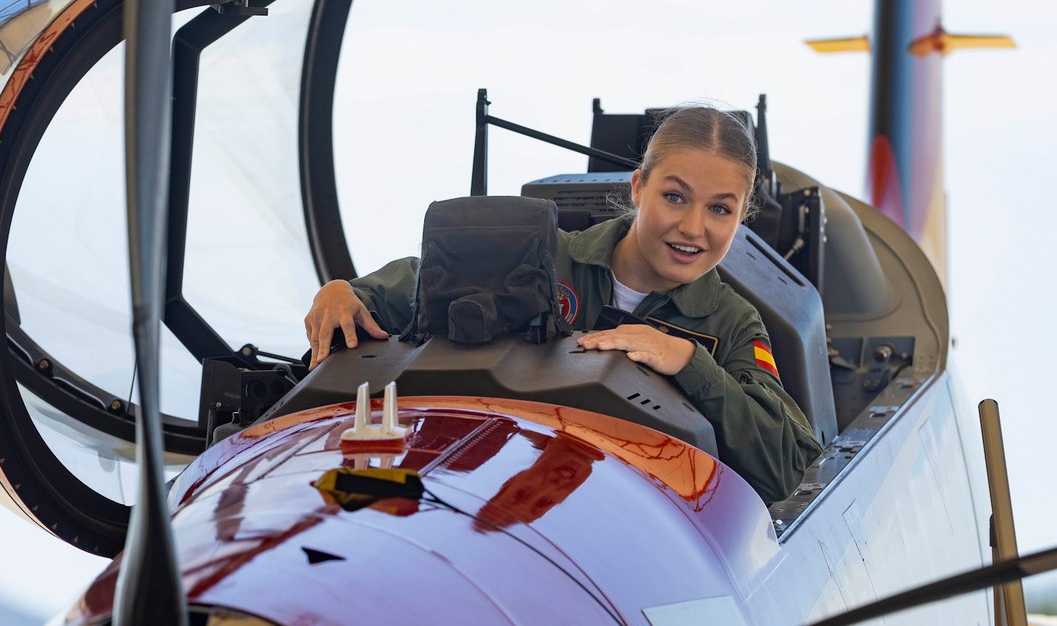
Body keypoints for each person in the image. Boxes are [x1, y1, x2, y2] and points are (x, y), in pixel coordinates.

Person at [303, 104, 822, 503]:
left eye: (720, 209)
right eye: (675, 196)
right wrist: (342, 292)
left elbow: (781, 467)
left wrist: (689, 363)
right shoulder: (537, 258)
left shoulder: (731, 323)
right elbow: (404, 293)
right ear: (638, 188)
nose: (692, 228)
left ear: (742, 217)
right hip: (496, 489)